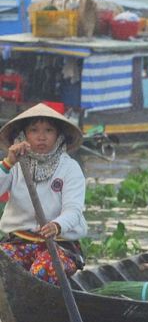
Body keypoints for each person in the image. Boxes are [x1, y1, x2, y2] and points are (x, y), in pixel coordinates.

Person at [0, 104, 87, 285]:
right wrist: (8, 163)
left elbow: (73, 209)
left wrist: (57, 225)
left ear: (58, 135)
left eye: (49, 130)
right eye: (34, 130)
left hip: (59, 246)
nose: (41, 137)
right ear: (24, 135)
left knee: (40, 273)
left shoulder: (70, 168)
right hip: (20, 242)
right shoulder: (15, 164)